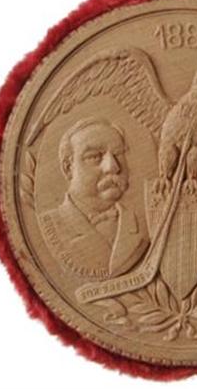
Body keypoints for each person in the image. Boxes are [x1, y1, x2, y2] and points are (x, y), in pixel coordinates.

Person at [39, 118, 149, 280]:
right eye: (94, 157)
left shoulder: (145, 221)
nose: (113, 166)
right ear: (68, 168)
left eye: (118, 153)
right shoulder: (49, 225)